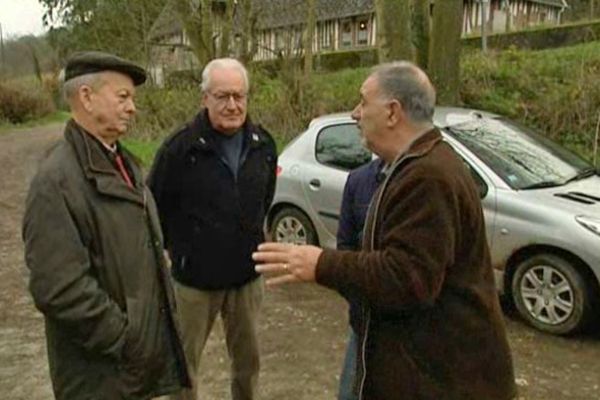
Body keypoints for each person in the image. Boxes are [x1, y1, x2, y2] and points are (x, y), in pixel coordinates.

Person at [253, 61, 516, 400]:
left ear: (393, 112)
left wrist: (320, 263)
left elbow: (407, 279)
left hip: (449, 381)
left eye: (363, 102)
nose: (355, 113)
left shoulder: (428, 176)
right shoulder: (415, 165)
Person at [22, 51, 190, 400]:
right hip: (100, 377)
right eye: (123, 97)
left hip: (130, 373)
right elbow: (59, 289)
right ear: (86, 97)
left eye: (133, 99)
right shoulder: (56, 181)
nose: (132, 108)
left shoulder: (123, 162)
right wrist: (126, 339)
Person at [148, 58, 277, 400]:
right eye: (222, 96)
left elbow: (263, 202)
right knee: (184, 369)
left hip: (246, 281)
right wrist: (184, 251)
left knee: (248, 365)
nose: (232, 105)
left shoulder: (263, 145)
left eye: (239, 96)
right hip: (194, 285)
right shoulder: (178, 150)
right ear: (204, 97)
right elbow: (154, 210)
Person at [336, 158, 384, 400]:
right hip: (364, 322)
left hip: (411, 331)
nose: (356, 117)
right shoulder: (358, 180)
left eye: (362, 115)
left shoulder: (425, 180)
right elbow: (344, 247)